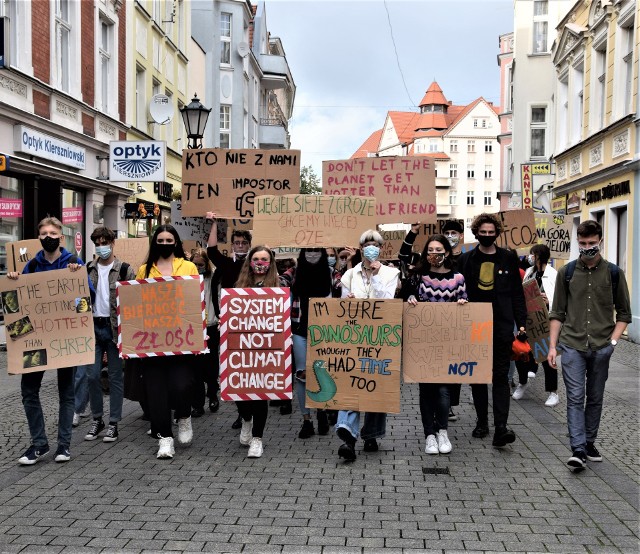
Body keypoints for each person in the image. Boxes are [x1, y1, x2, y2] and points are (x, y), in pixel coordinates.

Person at [9, 216, 94, 465]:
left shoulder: (75, 263)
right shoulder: (32, 267)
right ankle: (39, 444)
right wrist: (14, 282)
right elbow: (17, 305)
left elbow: (85, 304)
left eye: (53, 233)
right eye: (44, 233)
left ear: (61, 237)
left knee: (66, 392)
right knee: (29, 391)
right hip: (35, 341)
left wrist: (78, 281)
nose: (48, 237)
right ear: (39, 238)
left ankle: (63, 446)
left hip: (64, 338)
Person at [548, 220, 631, 472]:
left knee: (595, 397)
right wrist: (553, 346)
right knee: (574, 397)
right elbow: (557, 313)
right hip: (572, 345)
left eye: (592, 243)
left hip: (601, 346)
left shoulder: (614, 273)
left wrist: (612, 343)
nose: (587, 248)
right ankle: (578, 449)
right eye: (582, 244)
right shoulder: (567, 272)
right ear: (577, 243)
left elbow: (625, 314)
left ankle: (589, 442)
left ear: (600, 241)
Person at [457, 213, 527, 448]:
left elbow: (518, 294)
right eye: (483, 232)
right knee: (477, 377)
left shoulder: (508, 258)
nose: (487, 236)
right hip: (474, 326)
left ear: (497, 233)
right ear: (476, 233)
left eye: (491, 232)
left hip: (502, 327)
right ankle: (482, 422)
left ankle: (501, 427)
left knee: (500, 376)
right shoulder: (465, 260)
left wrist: (522, 324)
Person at [334, 230, 400, 461]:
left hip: (379, 337)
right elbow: (342, 302)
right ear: (361, 249)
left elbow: (386, 300)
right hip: (354, 335)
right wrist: (348, 301)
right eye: (366, 245)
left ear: (381, 249)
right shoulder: (350, 274)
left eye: (375, 245)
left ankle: (370, 434)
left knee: (374, 385)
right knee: (351, 382)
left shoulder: (391, 273)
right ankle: (348, 437)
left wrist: (377, 273)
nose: (371, 248)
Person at [136, 224, 199, 459]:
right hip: (152, 341)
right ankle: (165, 438)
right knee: (156, 391)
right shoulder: (144, 270)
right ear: (155, 243)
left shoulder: (189, 266)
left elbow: (195, 299)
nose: (164, 244)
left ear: (176, 242)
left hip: (182, 338)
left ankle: (184, 415)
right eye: (160, 240)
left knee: (180, 385)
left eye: (169, 240)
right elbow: (135, 303)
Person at [405, 234, 468, 455]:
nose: (434, 254)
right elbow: (408, 297)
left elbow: (465, 303)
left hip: (447, 344)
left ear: (447, 253)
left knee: (443, 391)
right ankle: (429, 435)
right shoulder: (418, 277)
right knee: (426, 391)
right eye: (430, 250)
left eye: (439, 250)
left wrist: (462, 303)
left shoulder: (458, 278)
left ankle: (442, 431)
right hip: (423, 344)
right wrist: (411, 299)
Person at [82, 227, 136, 443]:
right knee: (92, 375)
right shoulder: (87, 269)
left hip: (114, 329)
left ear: (113, 243)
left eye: (105, 242)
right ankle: (97, 419)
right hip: (93, 327)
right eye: (97, 243)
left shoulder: (124, 269)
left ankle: (113, 422)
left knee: (114, 376)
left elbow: (133, 301)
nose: (101, 246)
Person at [234, 245, 281, 458]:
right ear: (249, 262)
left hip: (267, 347)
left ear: (270, 262)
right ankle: (245, 419)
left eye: (264, 259)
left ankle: (257, 438)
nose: (260, 262)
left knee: (261, 394)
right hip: (243, 346)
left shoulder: (281, 285)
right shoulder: (240, 286)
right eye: (256, 259)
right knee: (241, 393)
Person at [288, 248, 332, 439]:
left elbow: (345, 286)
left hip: (323, 332)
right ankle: (307, 420)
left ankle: (321, 411)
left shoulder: (331, 273)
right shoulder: (293, 272)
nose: (312, 254)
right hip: (300, 330)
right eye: (309, 251)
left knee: (320, 371)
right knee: (302, 375)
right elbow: (278, 281)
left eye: (316, 251)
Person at [513, 244, 559, 406]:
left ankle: (553, 392)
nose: (530, 257)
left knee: (548, 357)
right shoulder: (529, 272)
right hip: (529, 320)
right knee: (520, 352)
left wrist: (549, 301)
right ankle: (523, 382)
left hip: (545, 321)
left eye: (532, 254)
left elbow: (559, 298)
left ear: (539, 256)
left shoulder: (553, 274)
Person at [190, 248, 220, 416]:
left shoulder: (213, 277)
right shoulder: (187, 278)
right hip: (194, 327)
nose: (197, 267)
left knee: (211, 364)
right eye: (194, 264)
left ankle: (213, 393)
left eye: (201, 264)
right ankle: (197, 403)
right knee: (196, 367)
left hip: (211, 325)